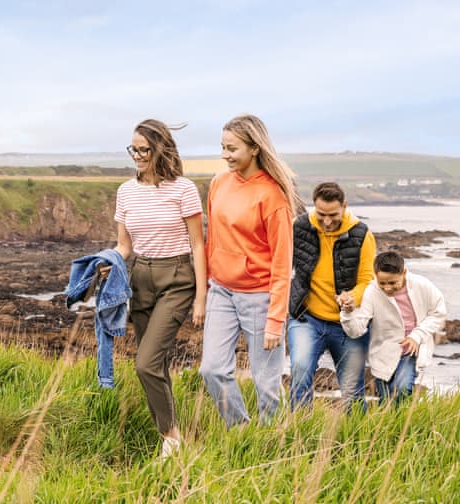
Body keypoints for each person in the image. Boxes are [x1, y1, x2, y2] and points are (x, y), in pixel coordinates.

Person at [110, 118, 207, 458]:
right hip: (140, 278)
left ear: (160, 148)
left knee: (145, 364)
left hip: (177, 279)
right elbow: (124, 245)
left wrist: (201, 297)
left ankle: (172, 437)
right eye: (132, 149)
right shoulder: (125, 191)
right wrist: (107, 261)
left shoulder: (183, 189)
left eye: (143, 149)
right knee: (157, 363)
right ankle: (170, 438)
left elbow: (198, 244)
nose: (136, 155)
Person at [199, 114, 299, 427]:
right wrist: (203, 292)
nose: (225, 155)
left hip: (260, 297)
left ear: (254, 148)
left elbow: (283, 265)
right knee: (212, 370)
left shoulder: (273, 196)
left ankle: (271, 444)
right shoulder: (219, 183)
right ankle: (241, 430)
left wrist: (275, 321)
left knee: (266, 383)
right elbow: (210, 240)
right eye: (223, 148)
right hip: (222, 292)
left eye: (232, 149)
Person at [288, 182, 376, 412]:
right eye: (321, 214)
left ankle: (358, 444)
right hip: (307, 317)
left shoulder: (362, 234)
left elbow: (368, 280)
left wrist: (352, 296)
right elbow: (282, 263)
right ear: (314, 207)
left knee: (353, 390)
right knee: (299, 371)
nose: (327, 221)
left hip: (347, 323)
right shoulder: (300, 227)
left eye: (333, 215)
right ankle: (299, 435)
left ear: (344, 206)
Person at [340, 251, 447, 405]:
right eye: (382, 283)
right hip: (384, 354)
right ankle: (391, 427)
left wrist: (416, 336)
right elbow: (356, 330)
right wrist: (348, 313)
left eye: (392, 283)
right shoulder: (371, 292)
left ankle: (400, 424)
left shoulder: (422, 285)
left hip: (411, 351)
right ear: (375, 275)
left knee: (402, 388)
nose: (387, 288)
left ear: (404, 273)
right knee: (386, 401)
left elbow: (439, 313)